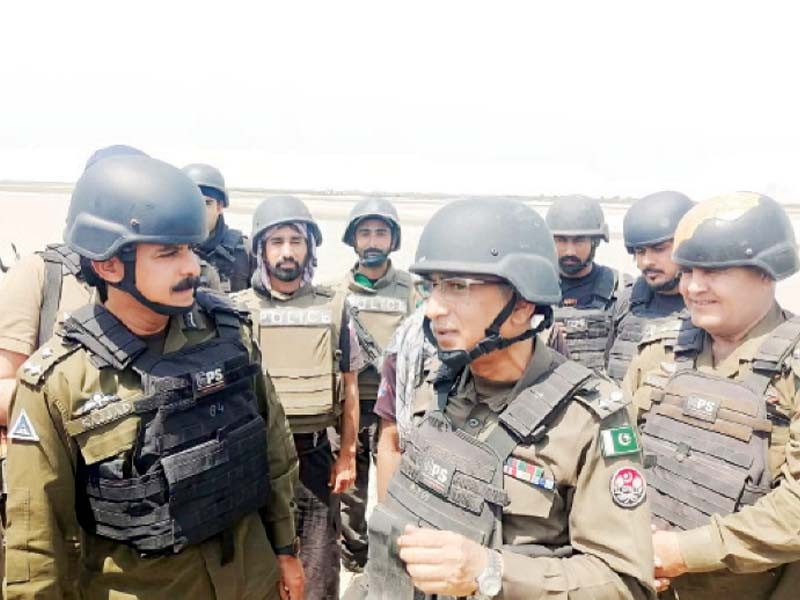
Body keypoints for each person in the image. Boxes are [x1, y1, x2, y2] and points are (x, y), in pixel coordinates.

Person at [4, 154, 302, 599]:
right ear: (108, 265)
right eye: (168, 253)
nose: (191, 268)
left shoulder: (229, 336)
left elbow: (274, 451)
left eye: (190, 250)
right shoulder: (57, 386)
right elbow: (35, 545)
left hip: (251, 581)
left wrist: (286, 550)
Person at [367, 197, 655, 599]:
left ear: (521, 305)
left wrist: (491, 572)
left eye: (456, 287)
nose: (432, 308)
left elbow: (626, 585)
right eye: (432, 286)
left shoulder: (588, 419)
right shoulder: (437, 385)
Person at [623, 192, 800, 599]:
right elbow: (613, 457)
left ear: (767, 273)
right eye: (687, 271)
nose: (693, 287)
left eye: (714, 271)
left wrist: (684, 552)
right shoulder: (659, 354)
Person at [233, 195, 364, 600]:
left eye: (296, 240)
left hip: (312, 459)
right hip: (254, 462)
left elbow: (351, 386)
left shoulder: (334, 307)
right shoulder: (237, 311)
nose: (287, 251)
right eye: (276, 241)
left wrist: (347, 454)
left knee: (319, 571)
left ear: (309, 248)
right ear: (260, 250)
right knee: (253, 571)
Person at [330, 196, 418, 573]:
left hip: (394, 413)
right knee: (348, 495)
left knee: (396, 491)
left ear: (393, 241)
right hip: (348, 408)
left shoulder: (411, 291)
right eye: (364, 233)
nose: (372, 241)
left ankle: (391, 562)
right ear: (353, 240)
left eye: (381, 233)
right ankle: (355, 561)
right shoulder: (336, 293)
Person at [606, 191, 695, 382]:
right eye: (640, 251)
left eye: (659, 249)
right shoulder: (628, 301)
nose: (647, 261)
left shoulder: (707, 309)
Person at [547, 195, 630, 372]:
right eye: (561, 240)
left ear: (595, 242)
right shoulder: (532, 292)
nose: (570, 250)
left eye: (579, 241)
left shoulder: (620, 290)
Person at [183, 163, 253, 292]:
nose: (199, 211)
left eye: (206, 203)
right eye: (192, 202)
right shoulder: (169, 251)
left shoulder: (244, 251)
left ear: (219, 206)